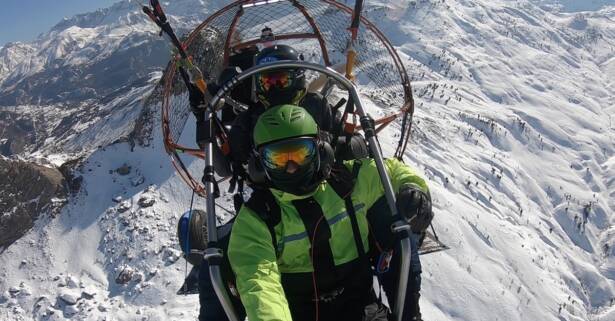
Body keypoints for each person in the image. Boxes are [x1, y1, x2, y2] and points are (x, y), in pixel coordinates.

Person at [226, 104, 433, 321]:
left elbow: (390, 170)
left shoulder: (347, 181)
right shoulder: (257, 218)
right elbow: (260, 285)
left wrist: (413, 187)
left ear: (320, 149)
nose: (291, 167)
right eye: (278, 159)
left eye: (300, 153)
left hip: (363, 308)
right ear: (260, 163)